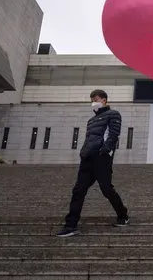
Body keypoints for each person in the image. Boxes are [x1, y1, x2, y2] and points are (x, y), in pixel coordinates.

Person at [56, 89, 129, 237]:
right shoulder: (91, 121)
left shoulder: (113, 114)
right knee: (78, 190)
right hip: (87, 159)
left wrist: (105, 151)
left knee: (106, 189)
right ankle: (71, 225)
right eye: (91, 100)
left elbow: (113, 135)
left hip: (101, 158)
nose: (93, 103)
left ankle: (123, 215)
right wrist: (83, 153)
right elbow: (89, 139)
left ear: (104, 100)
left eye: (95, 99)